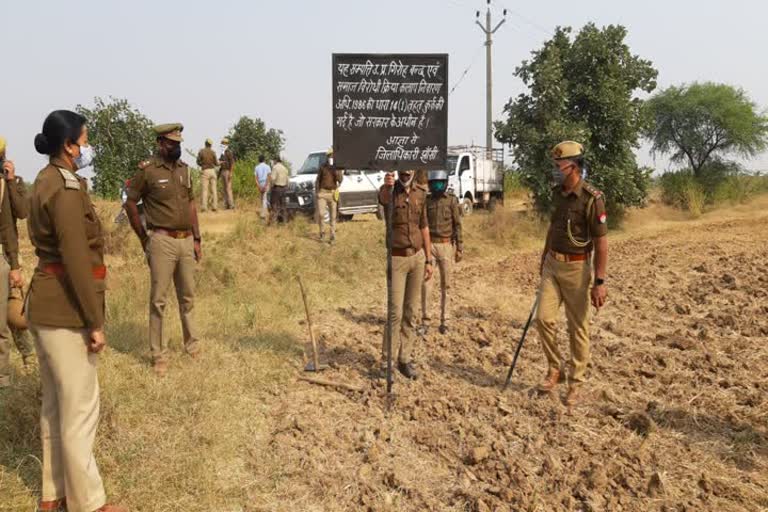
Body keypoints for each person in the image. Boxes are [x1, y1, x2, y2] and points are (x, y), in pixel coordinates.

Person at [27, 110, 127, 511]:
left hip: (44, 305)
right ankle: (90, 504)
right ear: (68, 146)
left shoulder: (43, 180)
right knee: (80, 410)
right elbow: (75, 260)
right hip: (66, 311)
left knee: (54, 407)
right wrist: (95, 322)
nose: (87, 148)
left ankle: (53, 496)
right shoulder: (66, 188)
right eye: (84, 141)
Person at [125, 123, 202, 376]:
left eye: (179, 143)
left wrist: (197, 239)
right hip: (161, 241)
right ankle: (158, 354)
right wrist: (143, 238)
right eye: (172, 143)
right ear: (160, 143)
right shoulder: (147, 171)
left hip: (186, 241)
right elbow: (131, 203)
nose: (177, 147)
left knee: (187, 296)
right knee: (159, 300)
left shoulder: (185, 171)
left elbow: (191, 205)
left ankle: (192, 345)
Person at [536, 141, 608, 406]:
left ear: (574, 167)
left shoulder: (592, 199)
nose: (555, 171)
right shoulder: (557, 194)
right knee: (543, 319)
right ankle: (555, 367)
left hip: (578, 269)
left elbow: (601, 243)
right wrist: (544, 256)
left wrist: (599, 282)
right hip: (552, 266)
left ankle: (575, 382)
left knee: (578, 329)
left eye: (559, 166)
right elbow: (553, 228)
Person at [378, 169, 433, 379]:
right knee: (395, 312)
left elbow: (424, 226)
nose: (406, 172)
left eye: (409, 168)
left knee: (411, 312)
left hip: (417, 258)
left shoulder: (420, 193)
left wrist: (428, 259)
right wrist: (387, 185)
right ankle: (386, 362)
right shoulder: (390, 191)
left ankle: (404, 359)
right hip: (397, 259)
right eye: (402, 169)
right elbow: (383, 199)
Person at [421, 170, 463, 335]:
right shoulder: (426, 201)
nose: (437, 186)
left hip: (446, 246)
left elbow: (457, 225)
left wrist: (459, 248)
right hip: (429, 246)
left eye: (440, 183)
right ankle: (425, 321)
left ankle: (445, 321)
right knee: (426, 284)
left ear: (445, 183)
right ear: (430, 184)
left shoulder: (451, 201)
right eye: (434, 183)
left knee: (447, 285)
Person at [0, 137, 25, 389]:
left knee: (5, 322)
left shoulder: (11, 184)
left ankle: (3, 379)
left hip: (2, 258)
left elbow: (22, 212)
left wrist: (10, 181)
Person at [315, 149, 343, 244]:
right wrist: (317, 192)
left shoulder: (337, 167)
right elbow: (318, 180)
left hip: (332, 193)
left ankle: (332, 235)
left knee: (333, 216)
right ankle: (322, 233)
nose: (331, 157)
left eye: (333, 156)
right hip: (322, 193)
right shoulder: (322, 167)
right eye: (330, 155)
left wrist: (337, 170)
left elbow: (340, 180)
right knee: (321, 214)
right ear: (327, 157)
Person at [197, 138, 218, 212]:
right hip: (212, 171)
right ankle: (214, 206)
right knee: (214, 190)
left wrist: (202, 164)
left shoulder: (201, 152)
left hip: (205, 171)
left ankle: (204, 207)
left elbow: (198, 162)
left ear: (205, 143)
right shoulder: (213, 152)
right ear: (211, 145)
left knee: (205, 190)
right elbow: (216, 163)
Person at [269, 157, 290, 225]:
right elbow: (288, 181)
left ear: (275, 161)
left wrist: (271, 187)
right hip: (284, 189)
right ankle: (285, 222)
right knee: (283, 206)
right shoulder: (285, 168)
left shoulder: (275, 168)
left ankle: (273, 222)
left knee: (274, 205)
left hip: (276, 188)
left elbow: (272, 179)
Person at [219, 137, 235, 210]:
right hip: (222, 171)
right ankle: (226, 205)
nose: (222, 144)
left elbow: (232, 163)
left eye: (224, 143)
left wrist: (231, 173)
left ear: (226, 144)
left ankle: (231, 205)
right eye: (222, 143)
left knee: (228, 189)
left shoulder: (229, 152)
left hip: (227, 171)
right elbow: (220, 164)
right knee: (224, 189)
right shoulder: (222, 153)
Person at [253, 155, 271, 220]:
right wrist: (266, 185)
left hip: (260, 183)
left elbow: (256, 178)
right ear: (264, 160)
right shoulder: (268, 166)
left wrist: (259, 186)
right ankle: (266, 213)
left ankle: (263, 214)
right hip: (266, 183)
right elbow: (269, 177)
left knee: (262, 199)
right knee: (265, 198)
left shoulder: (256, 167)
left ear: (259, 160)